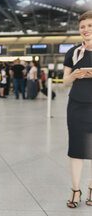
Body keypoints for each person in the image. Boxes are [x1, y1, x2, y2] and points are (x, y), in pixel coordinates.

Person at [63, 11, 92, 208]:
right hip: (76, 106)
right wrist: (74, 75)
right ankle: (76, 189)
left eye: (90, 26)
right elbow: (65, 81)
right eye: (82, 27)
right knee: (76, 149)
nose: (86, 30)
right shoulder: (73, 52)